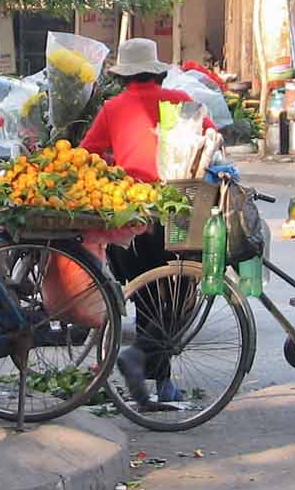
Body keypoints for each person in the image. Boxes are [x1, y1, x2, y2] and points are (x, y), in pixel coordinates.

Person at [81, 38, 204, 407]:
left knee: (146, 297)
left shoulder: (112, 108)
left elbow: (87, 154)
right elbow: (211, 138)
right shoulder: (179, 101)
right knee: (183, 290)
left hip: (129, 214)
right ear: (158, 72)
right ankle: (143, 362)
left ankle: (157, 381)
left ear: (123, 77)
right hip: (178, 206)